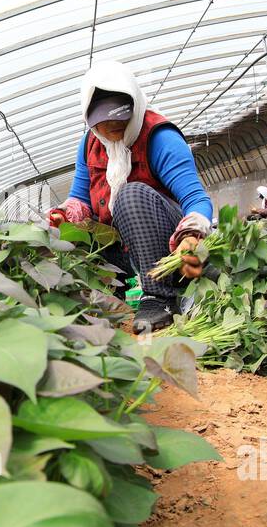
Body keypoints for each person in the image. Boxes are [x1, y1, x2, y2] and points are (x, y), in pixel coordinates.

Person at [46, 60, 214, 332]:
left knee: (131, 194)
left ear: (134, 108)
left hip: (164, 243)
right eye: (102, 124)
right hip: (124, 245)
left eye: (120, 120)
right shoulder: (90, 143)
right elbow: (81, 197)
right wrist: (65, 214)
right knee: (75, 228)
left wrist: (191, 236)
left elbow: (196, 198)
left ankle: (159, 296)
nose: (112, 129)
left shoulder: (159, 137)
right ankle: (107, 295)